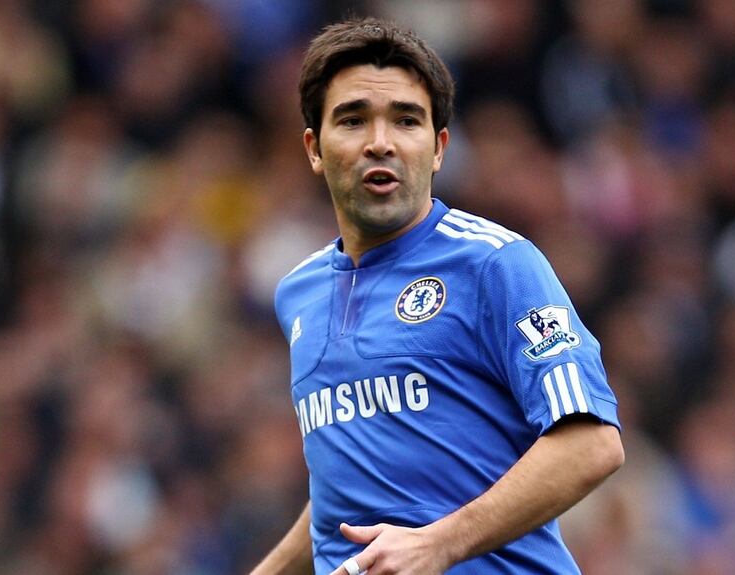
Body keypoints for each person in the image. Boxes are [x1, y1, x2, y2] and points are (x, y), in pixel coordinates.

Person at [251, 17, 624, 575]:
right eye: (353, 120)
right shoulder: (298, 292)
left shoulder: (495, 263)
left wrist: (439, 543)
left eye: (406, 120)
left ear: (439, 147)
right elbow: (347, 478)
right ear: (314, 148)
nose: (381, 142)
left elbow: (592, 444)